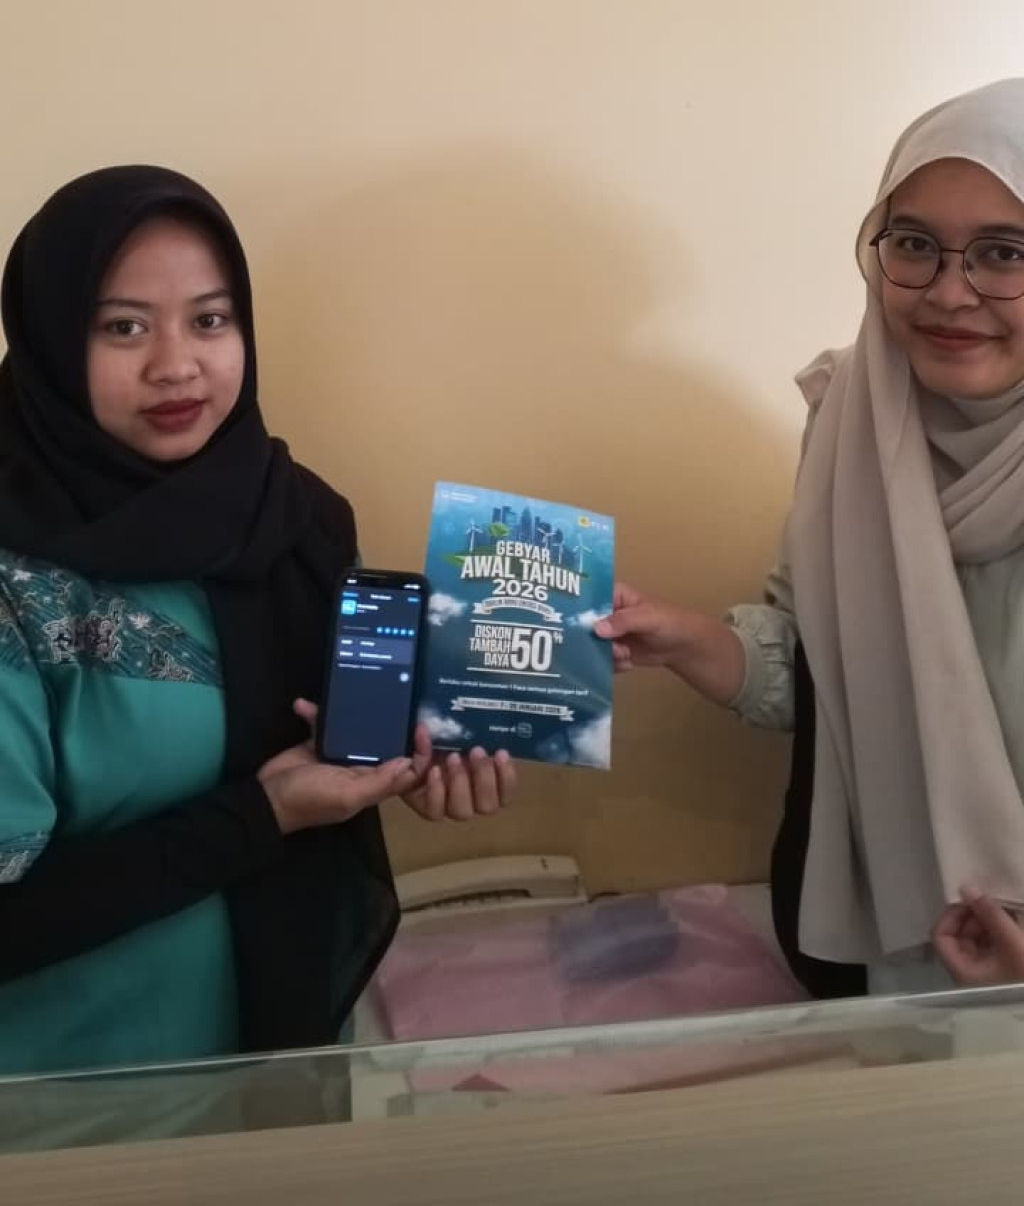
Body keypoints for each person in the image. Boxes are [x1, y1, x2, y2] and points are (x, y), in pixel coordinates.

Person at [0, 167, 515, 1077]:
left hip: (290, 1063)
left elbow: (332, 735)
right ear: (47, 337)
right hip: (74, 1101)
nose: (176, 364)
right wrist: (266, 812)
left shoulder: (296, 516)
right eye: (124, 326)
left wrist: (413, 756)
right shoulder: (15, 575)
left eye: (210, 318)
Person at [598, 79, 1024, 998]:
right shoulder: (850, 423)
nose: (950, 292)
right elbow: (820, 667)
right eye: (914, 243)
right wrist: (688, 640)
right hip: (877, 958)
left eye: (1003, 252)